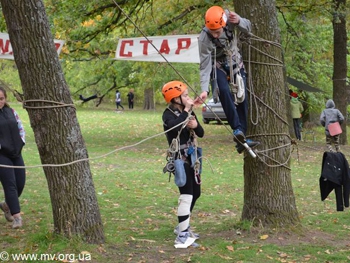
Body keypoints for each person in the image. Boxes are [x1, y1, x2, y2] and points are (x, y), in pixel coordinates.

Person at [194, 6, 259, 154]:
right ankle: (237, 129)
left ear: (223, 24)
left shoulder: (229, 19)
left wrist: (240, 21)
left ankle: (242, 139)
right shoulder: (204, 39)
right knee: (223, 91)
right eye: (212, 32)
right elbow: (204, 66)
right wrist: (204, 89)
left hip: (235, 61)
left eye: (217, 32)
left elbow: (249, 28)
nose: (215, 36)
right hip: (217, 65)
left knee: (242, 99)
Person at [162, 81, 204, 248]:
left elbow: (201, 133)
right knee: (186, 195)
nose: (188, 98)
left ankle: (182, 225)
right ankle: (182, 236)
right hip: (180, 158)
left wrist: (195, 125)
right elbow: (173, 128)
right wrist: (186, 111)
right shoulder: (168, 114)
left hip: (192, 158)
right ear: (176, 99)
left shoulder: (189, 112)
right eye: (185, 96)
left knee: (196, 193)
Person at [0, 86, 26, 229]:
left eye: (1, 98)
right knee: (10, 185)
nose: (0, 101)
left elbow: (20, 127)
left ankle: (6, 205)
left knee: (20, 183)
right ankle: (16, 217)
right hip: (2, 155)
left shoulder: (11, 112)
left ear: (5, 99)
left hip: (16, 153)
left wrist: (21, 141)